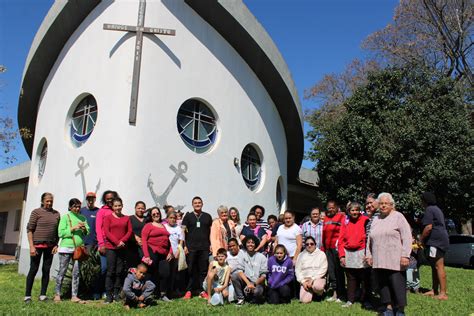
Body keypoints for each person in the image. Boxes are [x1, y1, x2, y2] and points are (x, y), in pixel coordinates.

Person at [366, 193, 411, 316]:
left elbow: (407, 236)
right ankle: (388, 308)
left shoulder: (398, 217)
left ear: (392, 205)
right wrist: (369, 255)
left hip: (395, 259)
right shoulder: (376, 219)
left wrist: (405, 255)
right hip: (379, 259)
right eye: (381, 203)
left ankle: (400, 310)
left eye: (386, 203)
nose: (383, 205)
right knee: (383, 285)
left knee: (397, 285)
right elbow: (369, 239)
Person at [24, 192, 60, 304]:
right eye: (47, 201)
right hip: (37, 246)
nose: (49, 203)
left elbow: (57, 231)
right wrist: (31, 246)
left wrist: (56, 244)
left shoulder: (56, 214)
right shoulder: (36, 212)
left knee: (46, 270)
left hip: (50, 246)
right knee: (33, 270)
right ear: (42, 201)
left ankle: (43, 295)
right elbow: (30, 230)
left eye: (51, 201)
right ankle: (27, 296)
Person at [54, 198, 90, 303]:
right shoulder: (66, 217)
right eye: (75, 206)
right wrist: (73, 228)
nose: (77, 208)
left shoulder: (83, 218)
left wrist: (83, 229)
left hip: (78, 249)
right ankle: (57, 294)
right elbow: (61, 233)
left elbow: (87, 231)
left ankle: (74, 296)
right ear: (70, 207)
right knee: (62, 271)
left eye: (79, 206)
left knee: (76, 272)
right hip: (66, 248)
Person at [338, 202, 369, 308]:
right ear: (349, 211)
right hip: (348, 252)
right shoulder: (345, 221)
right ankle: (350, 300)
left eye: (356, 210)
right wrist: (342, 255)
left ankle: (365, 300)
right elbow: (341, 239)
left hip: (361, 251)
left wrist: (367, 253)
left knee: (364, 278)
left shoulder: (365, 220)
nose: (354, 212)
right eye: (352, 210)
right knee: (351, 278)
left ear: (359, 211)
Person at [420, 192, 449, 300]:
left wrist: (421, 239)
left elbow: (428, 227)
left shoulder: (429, 209)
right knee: (434, 266)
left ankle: (443, 293)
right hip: (439, 240)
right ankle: (434, 290)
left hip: (436, 242)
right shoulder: (436, 209)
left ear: (425, 201)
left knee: (438, 265)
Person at [181, 196, 213, 299]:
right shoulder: (188, 216)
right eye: (195, 203)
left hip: (204, 247)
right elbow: (182, 232)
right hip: (191, 247)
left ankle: (202, 290)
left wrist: (211, 244)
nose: (197, 204)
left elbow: (211, 232)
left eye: (199, 202)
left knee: (203, 270)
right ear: (192, 204)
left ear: (202, 204)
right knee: (190, 270)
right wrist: (184, 246)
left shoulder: (207, 216)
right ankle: (189, 290)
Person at [103, 197, 132, 303]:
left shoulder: (126, 218)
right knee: (111, 271)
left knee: (119, 271)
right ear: (112, 207)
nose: (118, 207)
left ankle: (116, 294)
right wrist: (117, 242)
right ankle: (109, 295)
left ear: (122, 205)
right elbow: (106, 232)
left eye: (119, 205)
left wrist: (122, 241)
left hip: (122, 248)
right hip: (111, 248)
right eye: (115, 206)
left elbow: (129, 231)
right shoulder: (108, 218)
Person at [141, 207, 173, 301]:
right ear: (151, 215)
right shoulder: (148, 225)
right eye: (154, 213)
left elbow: (170, 240)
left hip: (164, 253)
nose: (156, 214)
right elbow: (144, 240)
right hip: (152, 252)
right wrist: (147, 256)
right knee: (150, 274)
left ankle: (162, 294)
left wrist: (170, 252)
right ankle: (147, 294)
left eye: (157, 213)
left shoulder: (164, 225)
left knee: (165, 273)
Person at [231, 235, 268, 305]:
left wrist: (253, 284)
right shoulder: (242, 254)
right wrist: (248, 283)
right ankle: (241, 299)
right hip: (246, 282)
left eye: (252, 243)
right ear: (245, 244)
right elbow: (240, 271)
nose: (250, 244)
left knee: (257, 292)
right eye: (248, 242)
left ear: (255, 244)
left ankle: (257, 297)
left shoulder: (262, 257)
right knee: (234, 276)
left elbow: (263, 276)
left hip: (257, 283)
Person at [96, 190, 119, 298]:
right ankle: (101, 290)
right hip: (105, 243)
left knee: (115, 268)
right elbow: (98, 228)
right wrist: (101, 244)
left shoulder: (117, 210)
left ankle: (114, 291)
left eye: (111, 198)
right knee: (105, 268)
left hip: (116, 244)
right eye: (107, 198)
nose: (109, 200)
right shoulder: (102, 211)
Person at [323, 200, 346, 302]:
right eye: (329, 208)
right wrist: (324, 248)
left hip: (337, 248)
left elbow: (342, 232)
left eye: (333, 207)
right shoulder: (326, 218)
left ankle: (341, 294)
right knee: (331, 272)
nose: (331, 209)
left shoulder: (341, 217)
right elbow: (324, 234)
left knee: (339, 272)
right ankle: (335, 293)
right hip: (328, 249)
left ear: (336, 208)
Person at [295, 236, 328, 303]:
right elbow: (297, 270)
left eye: (311, 244)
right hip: (306, 280)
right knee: (304, 301)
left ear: (315, 244)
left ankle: (319, 294)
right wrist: (303, 281)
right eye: (307, 244)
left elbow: (323, 269)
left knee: (317, 286)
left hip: (317, 278)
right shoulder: (301, 255)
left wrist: (312, 279)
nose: (309, 245)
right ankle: (312, 294)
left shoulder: (321, 254)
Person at [80, 192, 100, 299]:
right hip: (82, 244)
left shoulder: (98, 211)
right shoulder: (81, 210)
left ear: (95, 199)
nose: (90, 200)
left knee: (94, 270)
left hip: (95, 244)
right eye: (89, 198)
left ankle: (95, 292)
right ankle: (83, 291)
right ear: (86, 199)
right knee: (83, 270)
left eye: (92, 198)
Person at [165, 211, 185, 295]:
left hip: (176, 252)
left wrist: (178, 251)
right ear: (167, 219)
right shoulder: (164, 227)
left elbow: (181, 241)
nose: (173, 219)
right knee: (166, 272)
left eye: (174, 218)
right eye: (171, 218)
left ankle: (174, 290)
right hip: (167, 253)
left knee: (175, 273)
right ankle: (166, 291)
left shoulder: (178, 228)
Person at [128, 201, 147, 268]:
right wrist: (135, 237)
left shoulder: (147, 219)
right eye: (138, 208)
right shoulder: (130, 218)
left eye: (142, 208)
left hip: (145, 247)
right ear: (135, 208)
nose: (140, 210)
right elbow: (127, 230)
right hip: (133, 247)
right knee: (133, 266)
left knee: (144, 266)